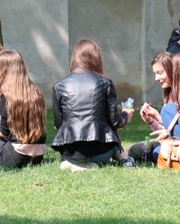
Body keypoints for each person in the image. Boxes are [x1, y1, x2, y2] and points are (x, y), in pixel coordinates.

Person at [51, 40, 135, 170]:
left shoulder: (59, 85)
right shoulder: (105, 83)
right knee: (111, 132)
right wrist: (126, 114)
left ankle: (75, 164)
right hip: (100, 152)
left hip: (69, 153)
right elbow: (115, 123)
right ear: (96, 58)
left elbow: (58, 124)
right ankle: (124, 159)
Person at [0, 50, 47, 168]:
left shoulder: (8, 95)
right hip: (38, 155)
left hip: (13, 157)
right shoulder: (36, 92)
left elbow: (4, 133)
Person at [135, 52, 180, 161]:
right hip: (174, 140)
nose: (156, 78)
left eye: (160, 73)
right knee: (142, 150)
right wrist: (151, 120)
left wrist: (158, 115)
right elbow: (169, 128)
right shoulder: (169, 93)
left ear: (172, 70)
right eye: (155, 73)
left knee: (155, 152)